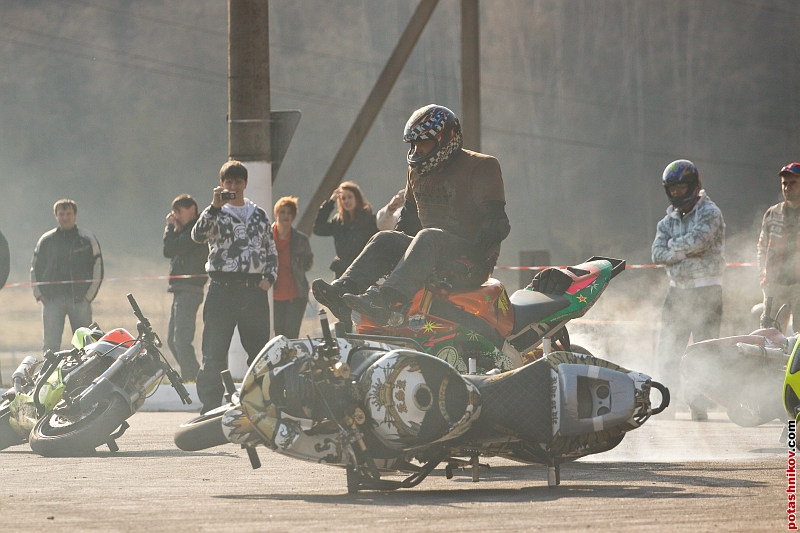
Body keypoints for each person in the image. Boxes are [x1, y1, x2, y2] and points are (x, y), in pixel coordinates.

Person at [312, 104, 510, 327]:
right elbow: (407, 222)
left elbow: (497, 225)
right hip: (430, 252)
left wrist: (468, 261)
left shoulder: (482, 166)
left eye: (423, 143)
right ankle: (342, 292)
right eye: (414, 144)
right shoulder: (415, 172)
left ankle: (385, 300)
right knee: (385, 238)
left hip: (470, 260)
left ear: (446, 139)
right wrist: (393, 255)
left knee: (429, 235)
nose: (418, 150)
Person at [191, 160, 277, 413]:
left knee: (259, 351)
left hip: (253, 289)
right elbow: (197, 236)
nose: (233, 186)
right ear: (221, 184)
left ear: (245, 183)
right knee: (214, 351)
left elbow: (270, 249)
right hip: (222, 288)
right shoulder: (215, 213)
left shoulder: (259, 214)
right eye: (228, 182)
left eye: (238, 181)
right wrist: (213, 208)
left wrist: (269, 279)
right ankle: (209, 405)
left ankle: (259, 403)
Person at [651, 159, 725, 421]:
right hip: (677, 291)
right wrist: (682, 252)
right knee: (668, 348)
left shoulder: (710, 212)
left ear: (694, 186)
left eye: (681, 188)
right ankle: (667, 404)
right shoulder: (667, 219)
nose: (676, 193)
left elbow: (699, 241)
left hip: (706, 290)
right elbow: (656, 253)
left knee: (704, 351)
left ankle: (699, 405)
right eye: (672, 189)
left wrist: (673, 248)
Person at [31, 199, 103, 353]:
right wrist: (40, 295)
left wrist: (88, 297)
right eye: (61, 214)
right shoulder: (46, 240)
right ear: (56, 215)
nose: (65, 217)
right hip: (51, 301)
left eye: (68, 214)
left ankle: (86, 377)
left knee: (86, 346)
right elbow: (35, 268)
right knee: (50, 347)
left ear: (75, 215)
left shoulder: (87, 239)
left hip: (80, 301)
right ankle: (49, 377)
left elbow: (98, 269)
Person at [163, 194, 208, 382]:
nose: (176, 216)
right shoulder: (184, 229)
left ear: (192, 210)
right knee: (172, 341)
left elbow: (170, 249)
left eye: (179, 212)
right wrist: (175, 229)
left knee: (181, 340)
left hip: (191, 289)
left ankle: (195, 377)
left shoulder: (197, 231)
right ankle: (191, 375)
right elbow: (170, 250)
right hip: (180, 289)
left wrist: (170, 229)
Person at [757, 162, 800, 333]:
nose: (788, 187)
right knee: (769, 337)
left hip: (799, 286)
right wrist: (764, 278)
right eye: (785, 184)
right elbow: (761, 247)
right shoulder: (772, 213)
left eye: (793, 183)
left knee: (798, 341)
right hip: (775, 286)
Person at [313, 181, 378, 278]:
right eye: (343, 198)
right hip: (341, 271)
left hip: (363, 270)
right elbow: (318, 229)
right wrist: (330, 203)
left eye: (350, 197)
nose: (346, 201)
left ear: (357, 198)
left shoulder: (369, 219)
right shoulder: (338, 221)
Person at [272, 196, 314, 339]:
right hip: (273, 296)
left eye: (289, 213)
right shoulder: (267, 237)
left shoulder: (301, 239)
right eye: (282, 212)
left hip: (296, 295)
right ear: (276, 214)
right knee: (278, 335)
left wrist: (297, 263)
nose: (286, 216)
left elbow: (308, 262)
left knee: (292, 335)